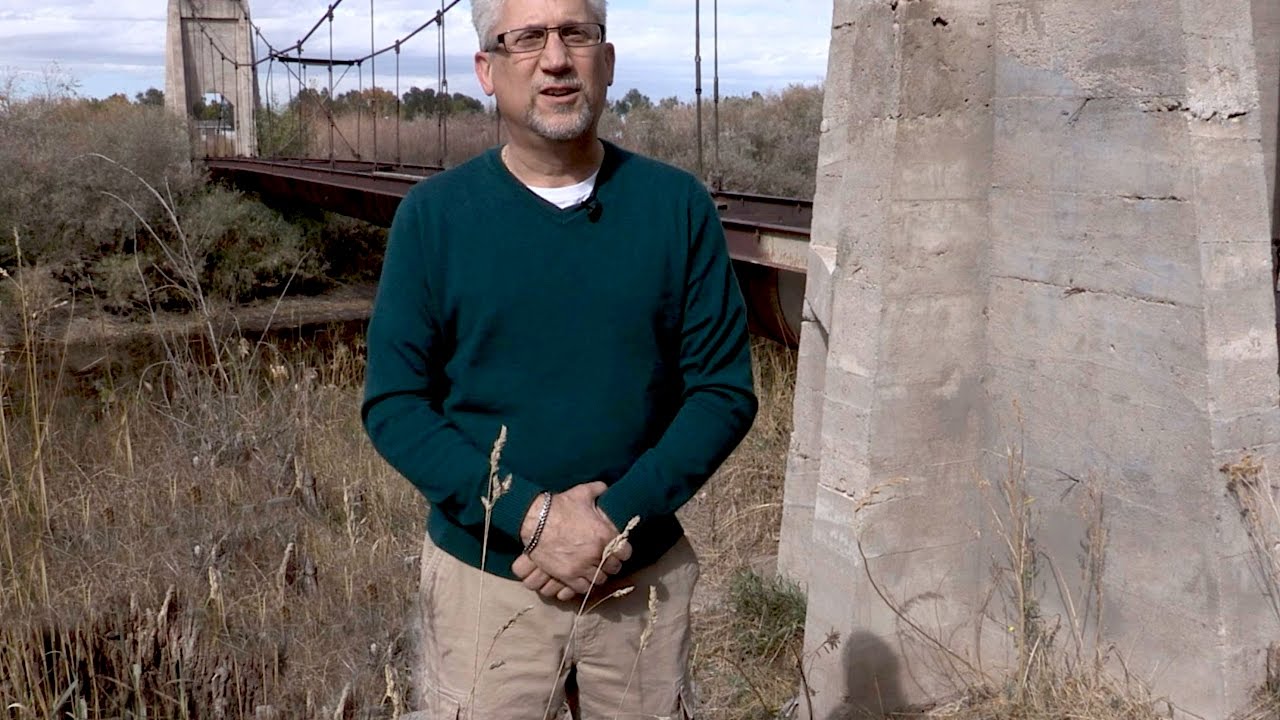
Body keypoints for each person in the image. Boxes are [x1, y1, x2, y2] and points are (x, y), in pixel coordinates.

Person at [360, 0, 758, 716]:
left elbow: (723, 391)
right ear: (487, 70)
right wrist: (533, 518)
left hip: (640, 579)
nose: (555, 58)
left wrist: (614, 523)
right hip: (487, 583)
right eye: (527, 38)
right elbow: (393, 404)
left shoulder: (677, 207)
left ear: (606, 61)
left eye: (576, 33)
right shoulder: (433, 217)